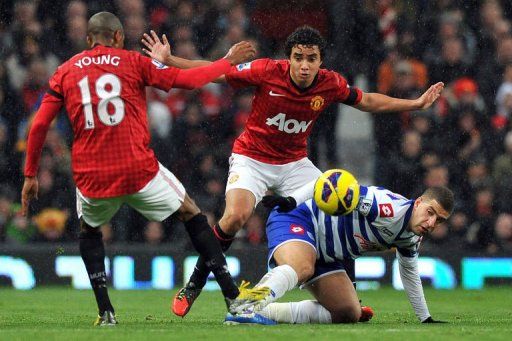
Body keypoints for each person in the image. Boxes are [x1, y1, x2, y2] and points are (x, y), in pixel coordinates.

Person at [141, 25, 445, 317]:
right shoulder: (267, 71)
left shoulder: (330, 83)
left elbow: (367, 101)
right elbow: (214, 73)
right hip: (252, 158)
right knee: (235, 217)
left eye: (311, 59)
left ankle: (348, 293)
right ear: (289, 58)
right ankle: (194, 284)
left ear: (320, 62)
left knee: (343, 203)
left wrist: (415, 103)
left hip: (294, 165)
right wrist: (169, 60)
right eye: (298, 58)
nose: (304, 66)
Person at [20, 11, 265, 326]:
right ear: (119, 38)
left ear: (88, 40)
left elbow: (39, 123)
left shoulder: (64, 72)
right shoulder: (132, 62)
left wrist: (30, 174)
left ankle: (106, 312)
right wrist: (227, 60)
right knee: (191, 213)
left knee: (89, 230)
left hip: (92, 174)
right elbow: (188, 81)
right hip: (137, 168)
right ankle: (232, 297)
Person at [225, 185, 454, 325]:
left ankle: (261, 309)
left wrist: (425, 318)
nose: (432, 223)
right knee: (303, 267)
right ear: (418, 203)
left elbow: (410, 273)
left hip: (328, 253)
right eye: (430, 212)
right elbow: (328, 182)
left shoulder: (412, 237)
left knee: (348, 312)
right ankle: (245, 306)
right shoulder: (385, 208)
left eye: (439, 220)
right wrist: (292, 200)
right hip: (300, 217)